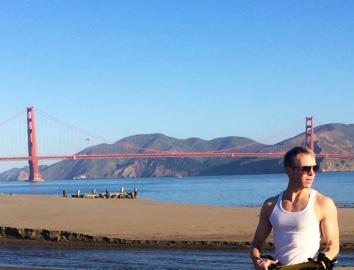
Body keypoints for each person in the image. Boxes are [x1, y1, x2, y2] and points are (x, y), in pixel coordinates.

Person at [250, 146, 339, 269]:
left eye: (315, 168)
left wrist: (323, 261)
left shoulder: (323, 203)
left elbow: (333, 246)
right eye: (306, 168)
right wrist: (258, 261)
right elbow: (257, 243)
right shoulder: (270, 205)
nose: (312, 173)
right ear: (289, 170)